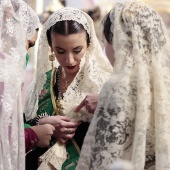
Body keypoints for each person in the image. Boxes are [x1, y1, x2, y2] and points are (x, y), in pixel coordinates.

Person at [76, 0, 170, 170]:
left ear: (120, 43)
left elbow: (105, 158)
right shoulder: (165, 81)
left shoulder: (118, 88)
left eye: (105, 43)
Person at [23, 7, 112, 170]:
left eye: (77, 50)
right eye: (60, 51)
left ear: (89, 44)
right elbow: (24, 119)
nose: (69, 60)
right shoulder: (44, 80)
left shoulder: (103, 82)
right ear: (50, 47)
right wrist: (41, 122)